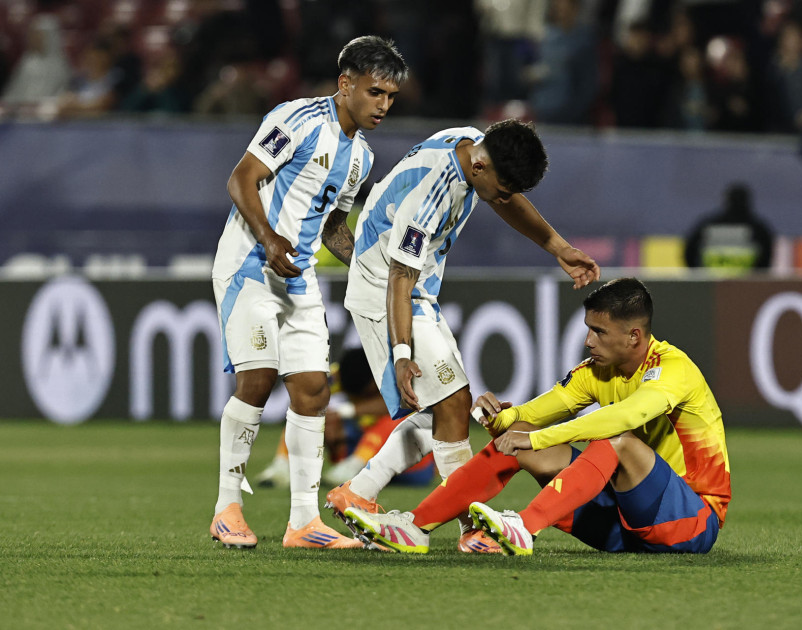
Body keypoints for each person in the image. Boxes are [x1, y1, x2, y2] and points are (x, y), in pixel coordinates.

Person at [324, 119, 600, 551]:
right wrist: (400, 353)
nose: (506, 197)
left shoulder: (473, 148)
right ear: (481, 167)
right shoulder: (432, 196)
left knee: (441, 413)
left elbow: (503, 200)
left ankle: (359, 491)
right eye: (504, 187)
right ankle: (466, 527)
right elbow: (399, 276)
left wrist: (557, 247)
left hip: (413, 291)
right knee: (454, 401)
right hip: (388, 293)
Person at [342, 278, 731, 556]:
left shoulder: (673, 369)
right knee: (520, 436)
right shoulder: (594, 372)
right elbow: (534, 414)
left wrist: (539, 438)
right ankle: (415, 526)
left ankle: (524, 528)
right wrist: (500, 419)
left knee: (617, 440)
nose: (588, 341)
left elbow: (624, 418)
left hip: (689, 521)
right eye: (587, 329)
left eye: (599, 331)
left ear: (633, 335)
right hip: (619, 524)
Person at [208, 35, 408, 550]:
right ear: (346, 84)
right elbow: (241, 179)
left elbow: (333, 227)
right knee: (257, 376)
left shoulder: (360, 158)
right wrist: (269, 238)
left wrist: (373, 266)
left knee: (314, 388)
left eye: (390, 97)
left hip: (297, 277)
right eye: (375, 92)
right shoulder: (297, 119)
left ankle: (302, 523)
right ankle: (227, 507)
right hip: (249, 263)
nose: (383, 105)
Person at [253, 347, 435, 489]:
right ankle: (281, 465)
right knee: (307, 414)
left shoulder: (394, 376)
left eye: (364, 395)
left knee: (399, 420)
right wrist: (326, 419)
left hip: (411, 465)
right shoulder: (335, 376)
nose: (357, 398)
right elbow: (304, 401)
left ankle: (352, 467)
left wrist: (344, 411)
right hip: (361, 446)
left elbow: (402, 406)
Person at [684, 183, 773, 271]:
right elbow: (766, 260)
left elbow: (690, 253)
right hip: (745, 283)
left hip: (713, 281)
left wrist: (700, 276)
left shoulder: (708, 225)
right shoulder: (758, 228)